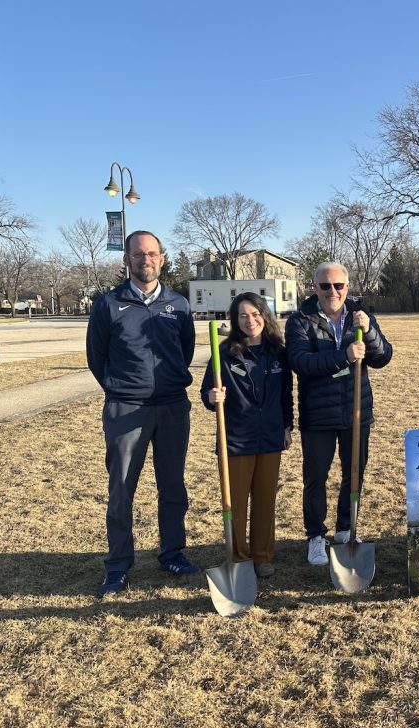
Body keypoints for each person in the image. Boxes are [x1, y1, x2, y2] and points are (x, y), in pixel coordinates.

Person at [86, 230, 198, 597]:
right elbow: (96, 357)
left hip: (172, 406)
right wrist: (122, 387)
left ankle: (172, 553)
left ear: (162, 259)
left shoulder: (178, 304)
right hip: (126, 408)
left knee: (173, 485)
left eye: (152, 254)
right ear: (127, 260)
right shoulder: (108, 304)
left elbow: (184, 350)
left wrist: (167, 382)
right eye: (138, 254)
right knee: (121, 488)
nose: (145, 260)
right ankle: (118, 565)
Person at [285, 262, 393, 566]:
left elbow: (383, 357)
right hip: (318, 413)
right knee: (315, 477)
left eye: (338, 286)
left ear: (347, 287)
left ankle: (346, 527)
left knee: (354, 473)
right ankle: (316, 535)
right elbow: (301, 362)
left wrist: (369, 331)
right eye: (325, 286)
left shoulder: (360, 315)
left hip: (356, 411)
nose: (332, 291)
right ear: (315, 288)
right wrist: (343, 356)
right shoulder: (300, 320)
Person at [201, 292, 293, 578]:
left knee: (265, 501)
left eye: (255, 314)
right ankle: (239, 556)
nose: (250, 320)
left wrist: (287, 427)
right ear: (235, 320)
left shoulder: (278, 352)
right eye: (243, 315)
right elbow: (206, 392)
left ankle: (262, 556)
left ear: (265, 316)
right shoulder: (224, 353)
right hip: (236, 438)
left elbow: (286, 394)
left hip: (270, 436)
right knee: (236, 503)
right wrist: (212, 397)